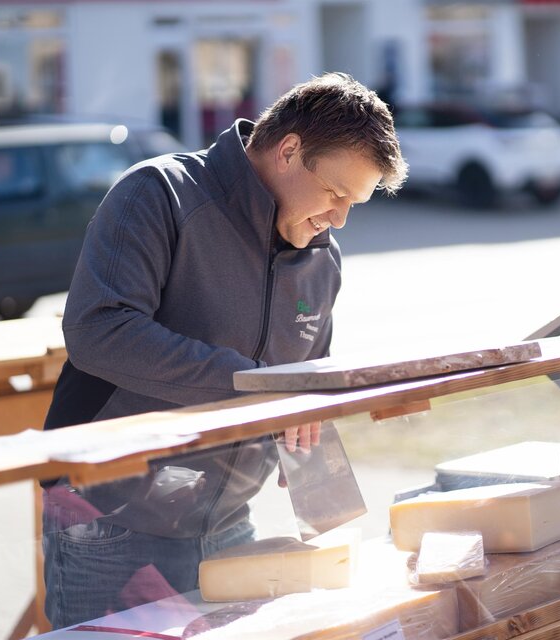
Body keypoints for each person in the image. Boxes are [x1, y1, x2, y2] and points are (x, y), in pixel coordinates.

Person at [41, 72, 407, 628]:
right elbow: (100, 329)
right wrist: (258, 390)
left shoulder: (322, 256)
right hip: (111, 521)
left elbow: (304, 383)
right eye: (336, 194)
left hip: (229, 525)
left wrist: (304, 443)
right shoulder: (159, 193)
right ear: (289, 150)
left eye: (355, 203)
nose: (339, 218)